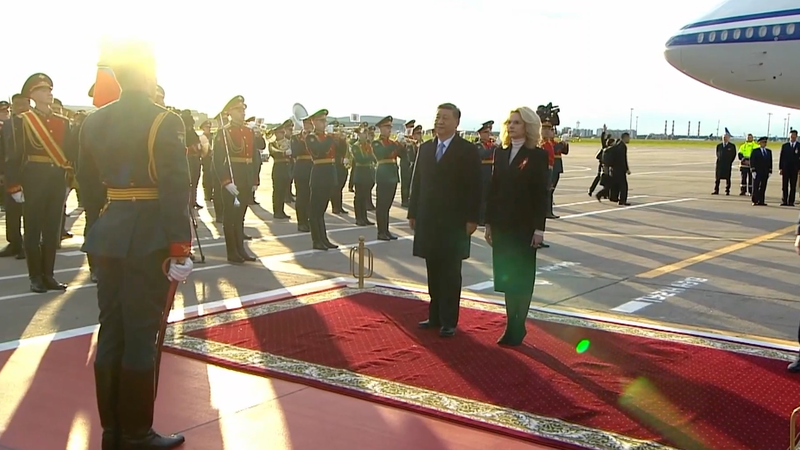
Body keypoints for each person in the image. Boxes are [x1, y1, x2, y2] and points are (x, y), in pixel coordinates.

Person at [77, 39, 192, 450]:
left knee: (111, 333)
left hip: (108, 233)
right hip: (149, 238)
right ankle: (137, 433)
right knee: (142, 336)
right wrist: (180, 246)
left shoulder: (93, 121)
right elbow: (176, 188)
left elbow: (87, 186)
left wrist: (103, 225)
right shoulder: (165, 121)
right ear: (147, 75)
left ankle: (112, 431)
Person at [408, 103, 482, 337]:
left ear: (457, 123)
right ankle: (434, 315)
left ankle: (449, 320)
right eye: (438, 117)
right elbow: (416, 183)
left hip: (454, 222)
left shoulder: (467, 150)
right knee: (433, 269)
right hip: (429, 219)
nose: (440, 121)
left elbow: (475, 187)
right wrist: (413, 212)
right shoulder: (426, 148)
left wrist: (472, 218)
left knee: (450, 272)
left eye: (445, 118)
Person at [4, 73, 76, 293]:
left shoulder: (63, 122)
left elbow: (70, 154)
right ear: (32, 95)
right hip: (33, 178)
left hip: (55, 179)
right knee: (33, 230)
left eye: (50, 89)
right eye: (44, 90)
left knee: (52, 230)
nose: (49, 93)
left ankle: (49, 275)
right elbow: (13, 157)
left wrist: (69, 181)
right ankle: (35, 276)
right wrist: (14, 185)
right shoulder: (21, 121)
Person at [484, 107, 549, 346]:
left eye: (517, 123)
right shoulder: (500, 153)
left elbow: (541, 195)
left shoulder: (537, 155)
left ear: (528, 126)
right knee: (507, 277)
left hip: (524, 226)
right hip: (502, 224)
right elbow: (493, 189)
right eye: (509, 122)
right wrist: (488, 222)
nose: (511, 126)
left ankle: (518, 325)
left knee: (522, 278)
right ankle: (512, 323)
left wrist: (539, 229)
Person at [213, 95, 266, 261]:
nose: (242, 113)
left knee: (240, 216)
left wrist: (254, 179)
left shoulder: (248, 131)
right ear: (229, 112)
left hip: (245, 177)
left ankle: (241, 249)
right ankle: (232, 252)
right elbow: (217, 160)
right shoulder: (224, 132)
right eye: (239, 110)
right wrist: (225, 182)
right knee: (230, 218)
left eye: (244, 110)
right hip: (232, 177)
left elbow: (256, 154)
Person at [304, 109, 339, 250]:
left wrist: (340, 139)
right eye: (321, 121)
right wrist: (330, 138)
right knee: (315, 211)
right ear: (314, 122)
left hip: (329, 174)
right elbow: (320, 151)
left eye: (325, 120)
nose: (324, 123)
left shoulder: (327, 137)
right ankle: (316, 240)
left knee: (322, 211)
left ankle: (324, 239)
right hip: (319, 174)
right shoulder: (311, 137)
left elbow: (339, 152)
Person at [373, 115, 402, 241]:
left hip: (393, 176)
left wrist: (402, 145)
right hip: (383, 176)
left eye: (390, 127)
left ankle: (386, 230)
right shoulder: (376, 143)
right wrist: (395, 144)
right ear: (380, 128)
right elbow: (381, 154)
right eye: (387, 127)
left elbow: (404, 156)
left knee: (388, 206)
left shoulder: (391, 143)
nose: (389, 129)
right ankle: (381, 232)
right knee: (382, 206)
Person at [350, 123, 377, 226]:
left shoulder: (368, 145)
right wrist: (370, 156)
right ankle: (359, 218)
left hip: (368, 173)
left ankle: (364, 218)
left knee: (365, 196)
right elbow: (360, 159)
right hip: (360, 173)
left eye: (366, 133)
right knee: (359, 197)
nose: (365, 135)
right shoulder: (355, 146)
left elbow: (374, 158)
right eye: (363, 133)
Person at [267, 123, 292, 219]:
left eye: (282, 132)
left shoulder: (288, 142)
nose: (282, 134)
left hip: (286, 168)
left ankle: (281, 211)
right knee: (277, 191)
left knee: (283, 191)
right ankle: (277, 211)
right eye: (280, 132)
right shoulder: (272, 144)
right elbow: (274, 153)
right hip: (278, 167)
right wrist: (284, 153)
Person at [475, 120, 496, 226]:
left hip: (490, 173)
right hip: (482, 174)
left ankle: (487, 217)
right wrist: (493, 147)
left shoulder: (490, 145)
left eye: (489, 132)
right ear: (480, 134)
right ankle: (480, 218)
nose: (488, 135)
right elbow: (484, 154)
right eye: (486, 132)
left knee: (488, 197)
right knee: (482, 197)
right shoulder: (478, 146)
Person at [750, 136, 772, 206]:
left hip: (765, 172)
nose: (764, 144)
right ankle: (755, 200)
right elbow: (752, 161)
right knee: (756, 186)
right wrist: (753, 170)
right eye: (763, 142)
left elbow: (770, 162)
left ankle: (761, 200)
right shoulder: (755, 151)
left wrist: (770, 171)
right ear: (759, 143)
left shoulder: (768, 151)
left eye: (765, 142)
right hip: (757, 172)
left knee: (763, 186)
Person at [713, 131, 737, 195]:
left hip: (727, 164)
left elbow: (733, 155)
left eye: (726, 137)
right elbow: (717, 153)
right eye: (723, 137)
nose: (724, 138)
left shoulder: (732, 146)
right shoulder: (719, 146)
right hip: (720, 164)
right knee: (717, 178)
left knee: (728, 178)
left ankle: (727, 190)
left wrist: (730, 161)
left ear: (728, 138)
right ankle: (716, 190)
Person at [779, 130, 799, 206]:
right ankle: (784, 200)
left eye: (794, 135)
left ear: (796, 136)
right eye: (791, 135)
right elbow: (782, 157)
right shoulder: (785, 146)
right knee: (784, 185)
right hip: (785, 168)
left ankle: (791, 201)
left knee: (793, 186)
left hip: (794, 169)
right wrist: (780, 168)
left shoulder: (799, 146)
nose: (792, 137)